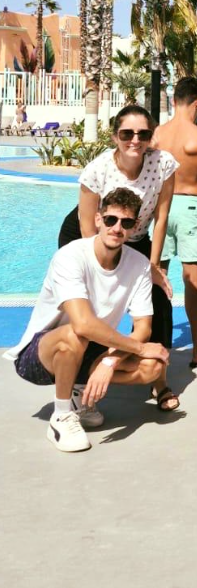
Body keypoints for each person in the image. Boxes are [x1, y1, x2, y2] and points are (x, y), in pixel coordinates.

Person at [5, 189, 170, 452]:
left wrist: (110, 360)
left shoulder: (139, 265)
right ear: (97, 219)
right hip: (41, 355)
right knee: (75, 334)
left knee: (153, 367)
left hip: (92, 347)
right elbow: (82, 324)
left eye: (126, 223)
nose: (117, 228)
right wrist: (136, 348)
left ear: (135, 227)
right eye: (110, 220)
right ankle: (60, 416)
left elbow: (143, 327)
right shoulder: (71, 256)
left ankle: (78, 393)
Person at [58, 104, 179, 411]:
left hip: (134, 236)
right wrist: (101, 268)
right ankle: (80, 377)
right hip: (90, 236)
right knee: (94, 305)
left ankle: (159, 382)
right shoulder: (97, 171)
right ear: (115, 136)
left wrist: (152, 266)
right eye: (127, 133)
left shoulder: (163, 164)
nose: (135, 140)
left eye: (143, 133)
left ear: (151, 136)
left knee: (160, 297)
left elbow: (161, 218)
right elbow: (88, 227)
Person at [153, 77, 197, 371]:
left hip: (159, 208)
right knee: (193, 279)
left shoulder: (156, 134)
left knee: (158, 274)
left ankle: (157, 342)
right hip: (191, 206)